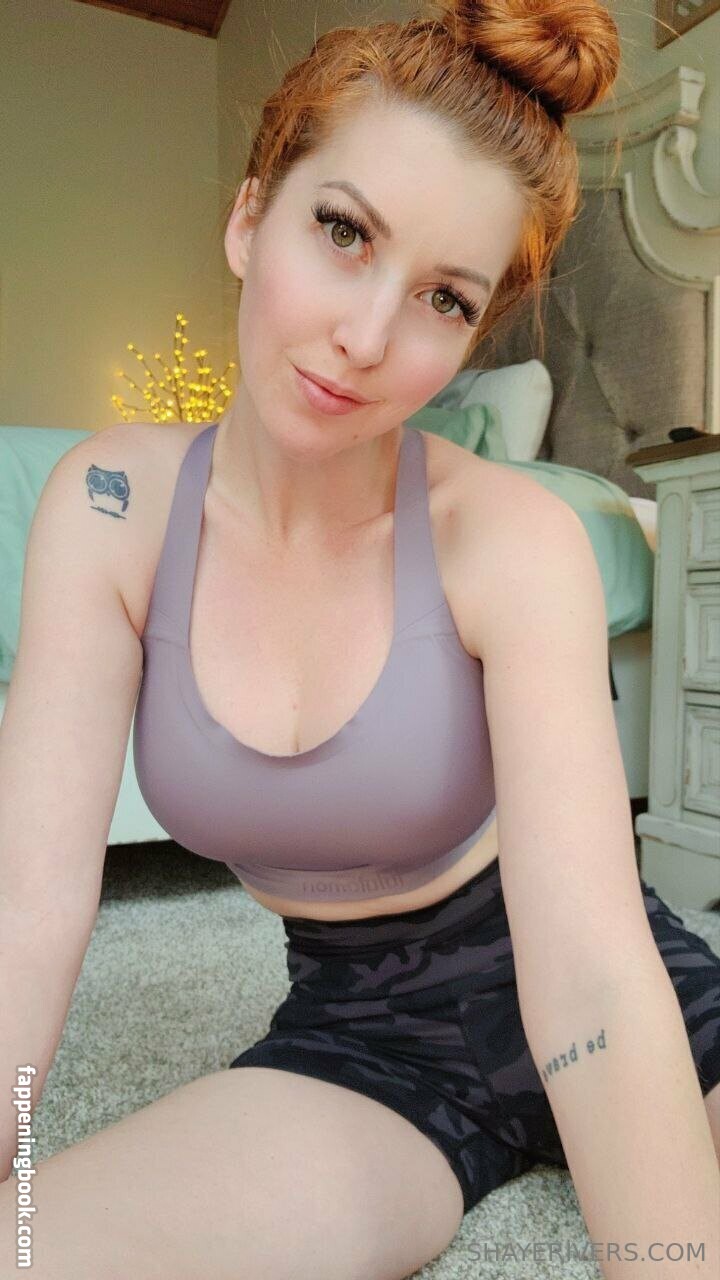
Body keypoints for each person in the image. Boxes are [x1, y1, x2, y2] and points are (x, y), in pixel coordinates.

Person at [1, 2, 719, 1277]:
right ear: (249, 217)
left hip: (619, 991)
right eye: (344, 231)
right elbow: (28, 903)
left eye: (444, 297)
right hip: (366, 1040)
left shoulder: (515, 538)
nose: (369, 338)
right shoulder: (108, 508)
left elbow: (593, 977)